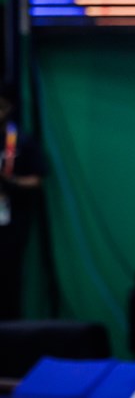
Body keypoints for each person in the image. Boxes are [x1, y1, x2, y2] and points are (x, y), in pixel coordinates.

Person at [0, 88, 45, 320]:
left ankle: (10, 328)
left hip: (12, 219)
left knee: (8, 275)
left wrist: (10, 180)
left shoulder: (22, 142)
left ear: (9, 108)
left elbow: (37, 180)